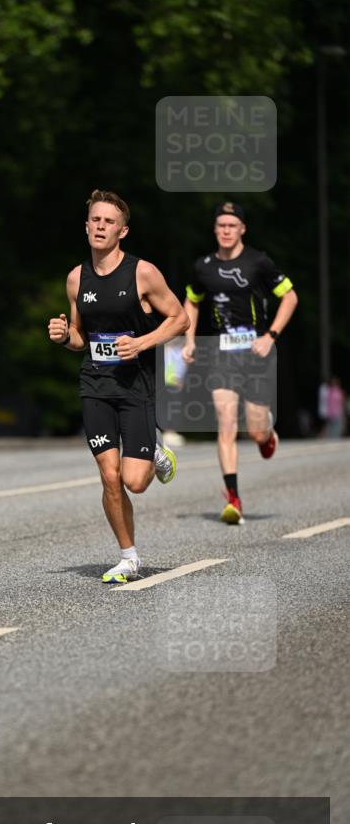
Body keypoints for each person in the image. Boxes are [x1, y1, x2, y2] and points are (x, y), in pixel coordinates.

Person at [48, 188, 189, 584]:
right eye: (95, 219)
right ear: (86, 225)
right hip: (95, 384)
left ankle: (156, 450)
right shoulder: (77, 278)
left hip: (136, 386)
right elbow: (80, 336)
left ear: (122, 231)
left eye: (109, 221)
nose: (100, 226)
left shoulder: (142, 272)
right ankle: (129, 557)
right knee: (109, 477)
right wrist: (63, 337)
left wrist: (141, 343)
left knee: (135, 482)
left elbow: (180, 319)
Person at [182, 202, 298, 523]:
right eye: (221, 225)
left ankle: (266, 434)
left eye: (232, 225)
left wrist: (270, 335)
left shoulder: (259, 262)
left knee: (257, 430)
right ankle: (233, 498)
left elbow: (290, 297)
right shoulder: (203, 266)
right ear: (215, 229)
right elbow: (191, 301)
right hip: (221, 352)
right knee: (226, 421)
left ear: (242, 229)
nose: (226, 231)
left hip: (256, 350)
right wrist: (190, 339)